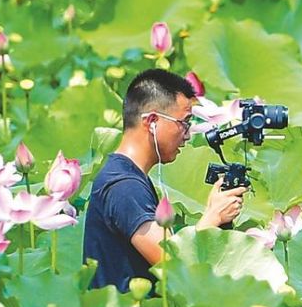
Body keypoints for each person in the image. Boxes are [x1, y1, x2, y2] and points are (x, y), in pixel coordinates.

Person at [82, 68, 245, 291]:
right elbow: (172, 264)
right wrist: (213, 216)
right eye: (184, 123)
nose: (188, 135)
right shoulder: (124, 186)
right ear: (152, 121)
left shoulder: (126, 175)